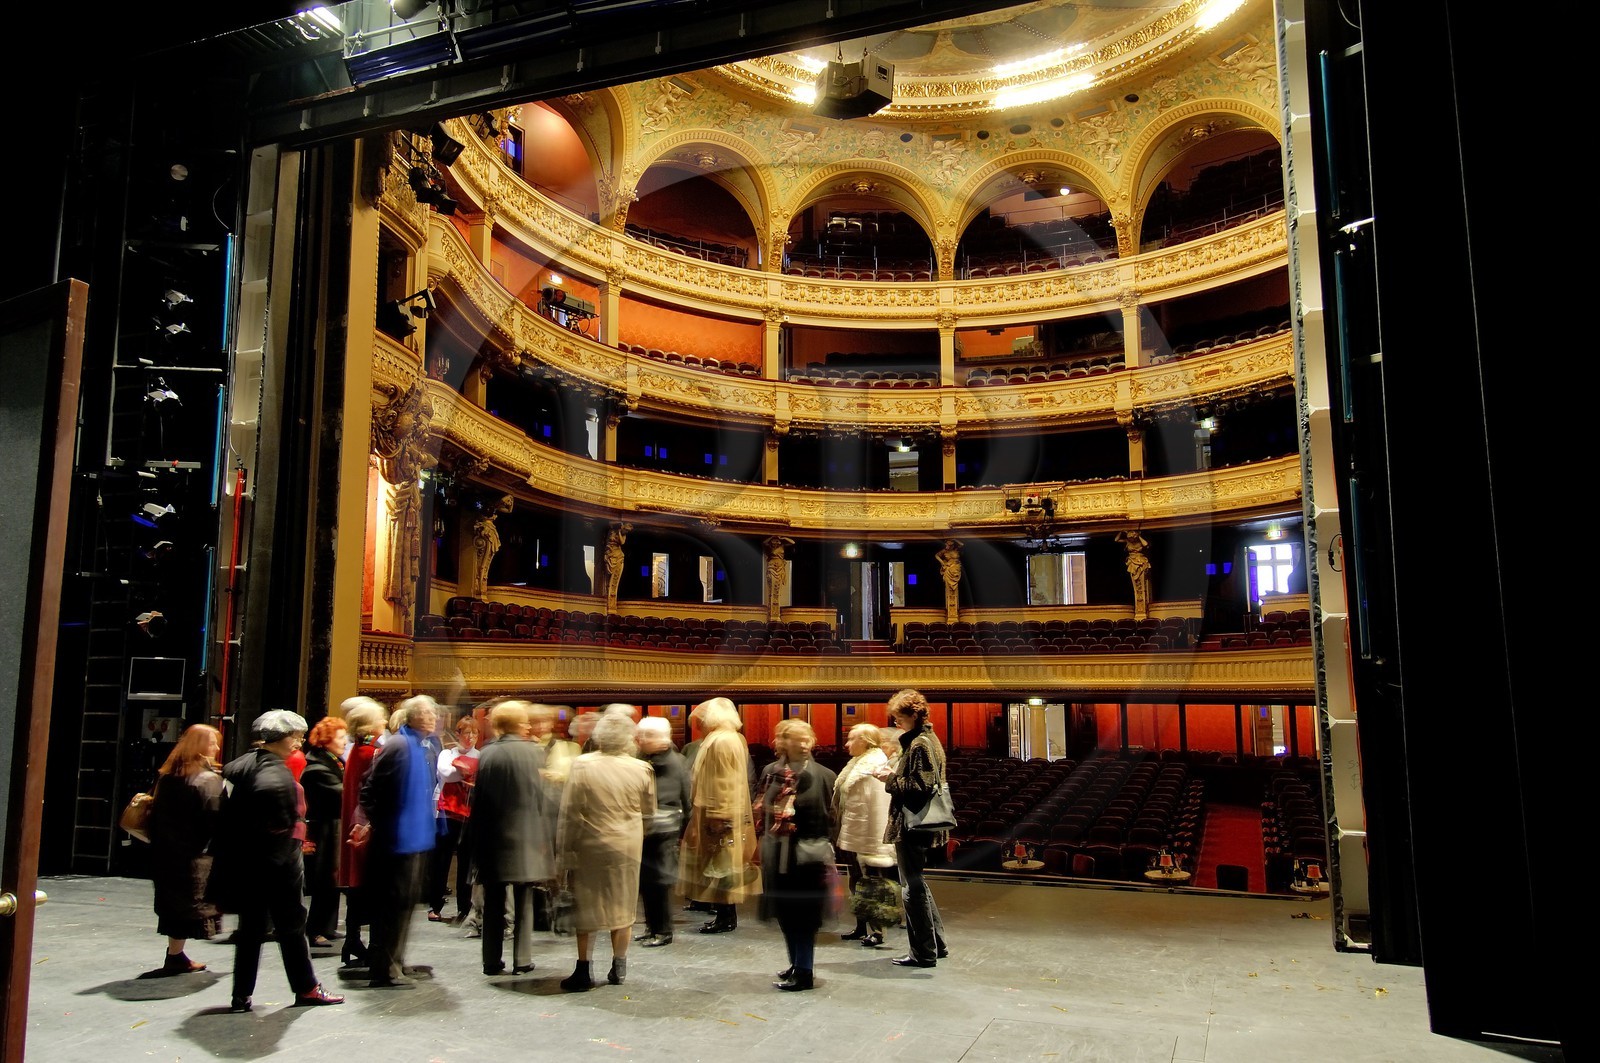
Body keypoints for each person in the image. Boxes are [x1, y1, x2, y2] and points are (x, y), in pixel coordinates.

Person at [209, 710, 344, 1012]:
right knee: (292, 926)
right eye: (294, 736)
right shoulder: (276, 771)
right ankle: (307, 988)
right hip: (277, 863)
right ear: (281, 739)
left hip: (247, 860)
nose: (298, 742)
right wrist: (283, 847)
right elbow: (276, 810)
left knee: (251, 930)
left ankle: (241, 995)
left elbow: (226, 812)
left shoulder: (237, 765)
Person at [554, 710, 655, 991]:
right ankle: (618, 965)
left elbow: (570, 812)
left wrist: (562, 852)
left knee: (587, 907)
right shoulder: (642, 769)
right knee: (622, 905)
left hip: (589, 846)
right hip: (627, 848)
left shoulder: (582, 765)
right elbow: (649, 812)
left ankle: (583, 969)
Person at [360, 694, 439, 988]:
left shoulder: (419, 746)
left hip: (412, 840)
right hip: (396, 842)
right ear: (414, 717)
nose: (433, 718)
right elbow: (369, 791)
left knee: (403, 907)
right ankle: (384, 968)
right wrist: (385, 827)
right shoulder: (398, 746)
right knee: (391, 907)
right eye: (428, 713)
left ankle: (394, 961)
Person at [470, 701, 554, 976]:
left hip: (492, 836)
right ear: (517, 724)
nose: (530, 726)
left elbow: (479, 800)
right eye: (526, 721)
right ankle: (522, 959)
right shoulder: (532, 753)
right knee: (524, 899)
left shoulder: (487, 753)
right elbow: (538, 798)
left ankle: (490, 960)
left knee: (494, 901)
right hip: (526, 835)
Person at [757, 719, 837, 992]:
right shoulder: (771, 772)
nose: (804, 744)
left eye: (807, 739)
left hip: (807, 858)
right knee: (785, 914)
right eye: (797, 739)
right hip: (778, 856)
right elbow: (762, 809)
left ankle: (805, 971)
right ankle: (795, 963)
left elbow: (832, 819)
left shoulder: (825, 775)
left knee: (804, 917)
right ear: (783, 743)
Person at [875, 688, 950, 969]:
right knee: (917, 884)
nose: (896, 723)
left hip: (913, 826)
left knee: (912, 889)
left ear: (912, 716)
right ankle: (936, 945)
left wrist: (889, 778)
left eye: (899, 718)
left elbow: (919, 787)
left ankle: (923, 952)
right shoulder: (927, 739)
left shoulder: (919, 744)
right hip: (917, 824)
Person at [141, 723, 223, 978]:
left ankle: (175, 955)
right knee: (189, 905)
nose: (217, 747)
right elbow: (216, 820)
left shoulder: (168, 776)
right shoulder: (207, 779)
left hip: (165, 852)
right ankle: (175, 957)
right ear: (200, 747)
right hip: (194, 855)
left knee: (173, 908)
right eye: (212, 743)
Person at [678, 697, 761, 935]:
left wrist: (719, 814)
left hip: (718, 814)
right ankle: (724, 915)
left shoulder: (722, 741)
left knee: (723, 865)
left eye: (700, 721)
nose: (699, 726)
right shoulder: (728, 738)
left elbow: (725, 781)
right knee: (721, 866)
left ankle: (726, 917)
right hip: (716, 811)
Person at [833, 722, 898, 948]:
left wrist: (876, 845)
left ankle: (877, 931)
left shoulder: (873, 765)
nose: (847, 743)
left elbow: (879, 809)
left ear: (866, 741)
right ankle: (862, 926)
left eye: (852, 739)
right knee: (856, 881)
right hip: (854, 832)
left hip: (866, 836)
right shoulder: (857, 763)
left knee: (870, 884)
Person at [335, 702, 385, 969]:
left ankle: (352, 939)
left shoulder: (356, 749)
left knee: (357, 885)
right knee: (371, 884)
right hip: (365, 827)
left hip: (355, 824)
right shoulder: (373, 752)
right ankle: (371, 944)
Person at [635, 715, 690, 947]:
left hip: (663, 828)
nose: (639, 740)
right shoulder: (650, 759)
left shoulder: (671, 761)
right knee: (647, 882)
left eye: (644, 736)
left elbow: (684, 798)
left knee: (657, 882)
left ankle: (663, 931)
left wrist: (685, 828)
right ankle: (652, 926)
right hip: (651, 827)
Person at [427, 714, 480, 924]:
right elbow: (447, 774)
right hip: (446, 813)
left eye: (474, 733)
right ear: (458, 734)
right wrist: (466, 772)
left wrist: (463, 770)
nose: (470, 737)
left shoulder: (480, 755)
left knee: (466, 862)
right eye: (466, 732)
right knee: (442, 860)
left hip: (469, 813)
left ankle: (464, 907)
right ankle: (435, 904)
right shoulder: (447, 754)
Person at [300, 715, 347, 947]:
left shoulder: (333, 760)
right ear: (327, 740)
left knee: (333, 878)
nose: (345, 741)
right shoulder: (317, 766)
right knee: (323, 879)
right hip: (324, 828)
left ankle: (327, 927)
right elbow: (341, 792)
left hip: (334, 825)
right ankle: (314, 928)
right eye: (340, 737)